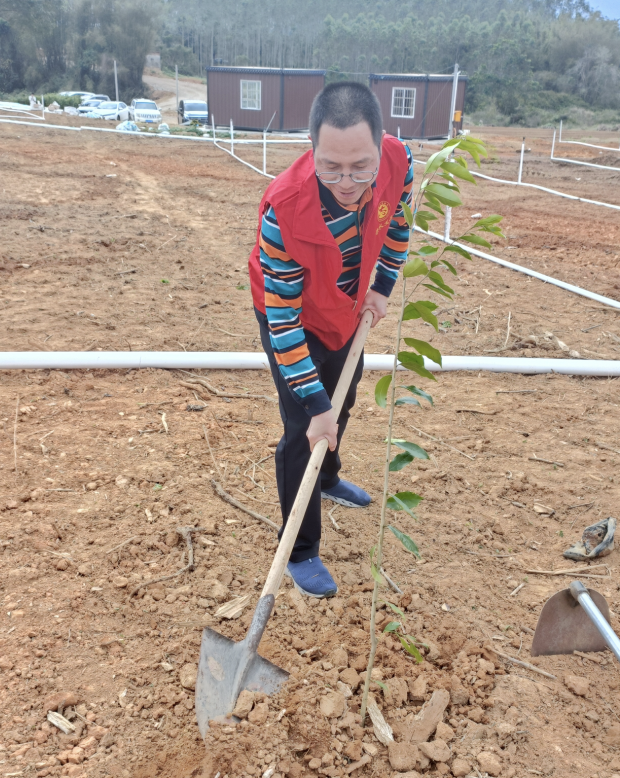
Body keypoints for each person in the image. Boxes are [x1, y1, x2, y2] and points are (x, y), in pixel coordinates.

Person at [249, 82, 413, 598]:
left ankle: (328, 477)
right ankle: (299, 549)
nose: (348, 181)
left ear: (381, 144)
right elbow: (284, 325)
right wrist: (314, 404)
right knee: (305, 426)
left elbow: (400, 222)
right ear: (311, 149)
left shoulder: (398, 161)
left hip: (347, 304)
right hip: (291, 313)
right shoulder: (284, 210)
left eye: (360, 167)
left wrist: (382, 288)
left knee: (345, 397)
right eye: (331, 167)